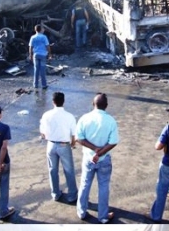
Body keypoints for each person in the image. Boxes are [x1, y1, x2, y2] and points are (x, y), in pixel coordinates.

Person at [76, 93, 119, 223]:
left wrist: (94, 150)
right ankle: (103, 217)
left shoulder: (84, 118)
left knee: (84, 184)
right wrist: (99, 153)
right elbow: (113, 142)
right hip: (104, 159)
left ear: (93, 104)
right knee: (104, 186)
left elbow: (79, 138)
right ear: (106, 106)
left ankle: (81, 212)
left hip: (88, 158)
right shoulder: (111, 120)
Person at [39, 92, 78, 203]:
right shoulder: (69, 116)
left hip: (51, 144)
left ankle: (55, 194)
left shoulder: (46, 115)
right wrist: (73, 144)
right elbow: (74, 134)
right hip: (64, 145)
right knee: (69, 170)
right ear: (63, 102)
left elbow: (42, 133)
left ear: (53, 102)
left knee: (52, 170)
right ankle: (72, 195)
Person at [28, 24, 52, 90]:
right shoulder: (44, 37)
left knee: (36, 70)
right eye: (43, 28)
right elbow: (47, 46)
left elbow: (30, 47)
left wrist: (30, 55)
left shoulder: (32, 37)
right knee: (42, 70)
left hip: (35, 55)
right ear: (41, 30)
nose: (44, 30)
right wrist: (50, 54)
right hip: (43, 55)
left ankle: (35, 84)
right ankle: (44, 85)